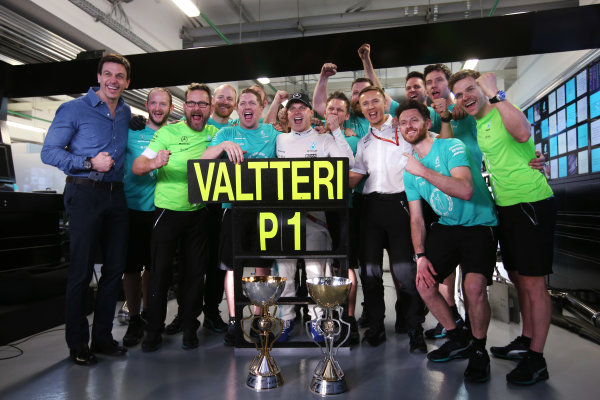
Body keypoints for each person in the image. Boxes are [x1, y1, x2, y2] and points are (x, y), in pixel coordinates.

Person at [449, 70, 556, 385]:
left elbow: (523, 134)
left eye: (471, 90)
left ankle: (537, 360)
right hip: (506, 207)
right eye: (461, 93)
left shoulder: (501, 107)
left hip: (531, 202)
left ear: (482, 89)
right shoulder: (480, 123)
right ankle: (526, 339)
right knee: (520, 279)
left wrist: (495, 93)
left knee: (535, 284)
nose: (466, 97)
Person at [41, 53, 131, 365]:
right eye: (108, 74)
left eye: (119, 76)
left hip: (116, 195)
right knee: (80, 272)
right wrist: (88, 162)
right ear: (98, 76)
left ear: (127, 82)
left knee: (114, 269)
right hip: (84, 193)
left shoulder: (125, 110)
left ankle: (103, 338)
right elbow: (49, 152)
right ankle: (77, 343)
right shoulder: (73, 109)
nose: (113, 81)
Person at [398, 100, 498, 382]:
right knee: (425, 282)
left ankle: (479, 351)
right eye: (403, 122)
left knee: (474, 286)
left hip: (480, 223)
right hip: (448, 225)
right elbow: (416, 218)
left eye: (414, 120)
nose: (409, 126)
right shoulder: (409, 170)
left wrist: (423, 171)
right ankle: (457, 337)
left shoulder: (451, 146)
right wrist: (420, 256)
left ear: (427, 123)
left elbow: (465, 189)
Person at [133, 83, 218, 352]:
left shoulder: (216, 133)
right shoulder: (168, 133)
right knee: (159, 274)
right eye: (192, 103)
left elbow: (243, 139)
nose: (196, 108)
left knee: (195, 274)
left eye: (202, 104)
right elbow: (137, 166)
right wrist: (155, 163)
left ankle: (190, 328)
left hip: (198, 214)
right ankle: (153, 331)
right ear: (184, 107)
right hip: (167, 214)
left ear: (210, 109)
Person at [265, 91, 354, 341]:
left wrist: (336, 131)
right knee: (285, 271)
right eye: (292, 108)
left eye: (302, 108)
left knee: (316, 271)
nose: (297, 112)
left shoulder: (323, 139)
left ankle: (318, 320)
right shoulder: (280, 140)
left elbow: (348, 162)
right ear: (287, 114)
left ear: (310, 113)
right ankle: (287, 320)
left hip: (315, 218)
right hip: (284, 217)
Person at [201, 88, 280, 346]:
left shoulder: (273, 133)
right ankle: (235, 320)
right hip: (233, 209)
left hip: (265, 211)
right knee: (232, 266)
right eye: (242, 103)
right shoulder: (226, 133)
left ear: (261, 107)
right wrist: (223, 145)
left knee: (262, 266)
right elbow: (203, 160)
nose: (247, 106)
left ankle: (259, 318)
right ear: (238, 108)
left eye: (252, 103)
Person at [349, 86, 426, 351]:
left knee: (405, 271)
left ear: (385, 103)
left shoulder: (402, 130)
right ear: (360, 108)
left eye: (375, 101)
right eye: (364, 103)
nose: (370, 107)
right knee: (369, 271)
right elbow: (355, 177)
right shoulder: (363, 142)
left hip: (401, 204)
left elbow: (434, 143)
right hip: (371, 207)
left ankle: (415, 327)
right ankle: (376, 326)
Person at [164, 84, 237, 336]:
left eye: (230, 98)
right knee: (188, 264)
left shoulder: (234, 130)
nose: (225, 101)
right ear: (212, 102)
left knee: (216, 264)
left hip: (219, 204)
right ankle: (185, 314)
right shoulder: (195, 125)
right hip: (192, 204)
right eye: (221, 97)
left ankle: (213, 313)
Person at [122, 87, 174, 347]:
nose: (157, 108)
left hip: (159, 210)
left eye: (162, 103)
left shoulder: (172, 133)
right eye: (153, 103)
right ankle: (133, 318)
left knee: (153, 269)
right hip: (131, 208)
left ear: (170, 108)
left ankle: (148, 314)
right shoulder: (131, 130)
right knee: (130, 268)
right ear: (146, 105)